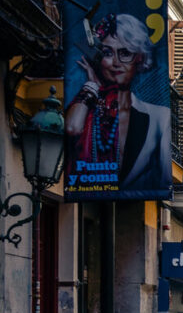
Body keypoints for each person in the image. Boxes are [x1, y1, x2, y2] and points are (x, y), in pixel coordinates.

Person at [66, 13, 171, 193]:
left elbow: (163, 178)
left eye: (125, 53)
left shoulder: (159, 117)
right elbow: (72, 128)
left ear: (139, 58)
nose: (116, 63)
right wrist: (91, 86)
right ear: (99, 59)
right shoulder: (87, 105)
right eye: (107, 53)